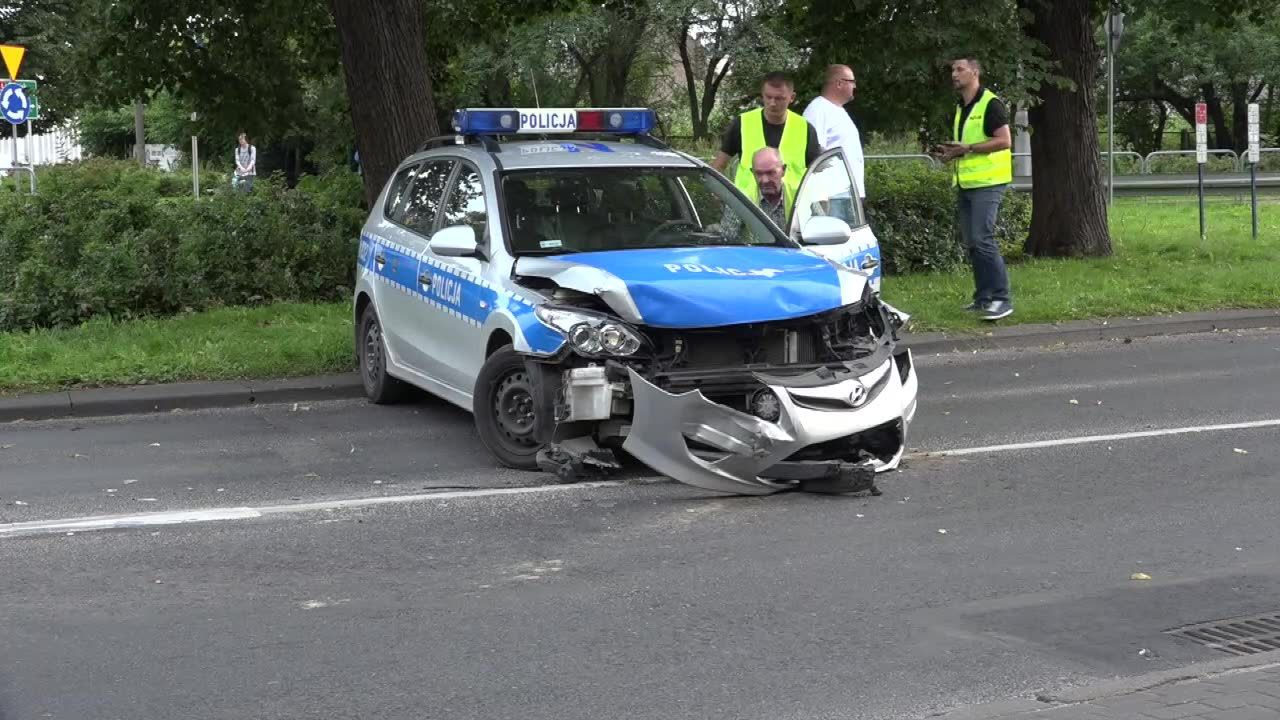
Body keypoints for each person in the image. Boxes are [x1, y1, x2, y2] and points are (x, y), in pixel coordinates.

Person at [933, 56, 1014, 321]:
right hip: (967, 182)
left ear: (975, 72)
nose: (954, 74)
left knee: (982, 239)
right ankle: (983, 298)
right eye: (952, 70)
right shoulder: (962, 107)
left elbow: (1004, 141)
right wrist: (952, 153)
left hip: (988, 183)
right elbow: (968, 145)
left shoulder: (991, 104)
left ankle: (1002, 299)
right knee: (972, 243)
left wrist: (967, 148)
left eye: (960, 69)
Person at [711, 71, 822, 205]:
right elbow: (719, 164)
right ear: (762, 95)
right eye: (768, 97)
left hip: (792, 213)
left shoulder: (805, 128)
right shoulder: (742, 123)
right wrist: (717, 192)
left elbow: (816, 175)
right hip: (748, 210)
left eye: (779, 98)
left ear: (792, 97)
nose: (772, 103)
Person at [802, 64, 865, 199]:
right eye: (852, 82)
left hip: (847, 193)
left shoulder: (838, 110)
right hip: (832, 194)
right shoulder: (818, 109)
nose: (855, 86)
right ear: (839, 83)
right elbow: (813, 151)